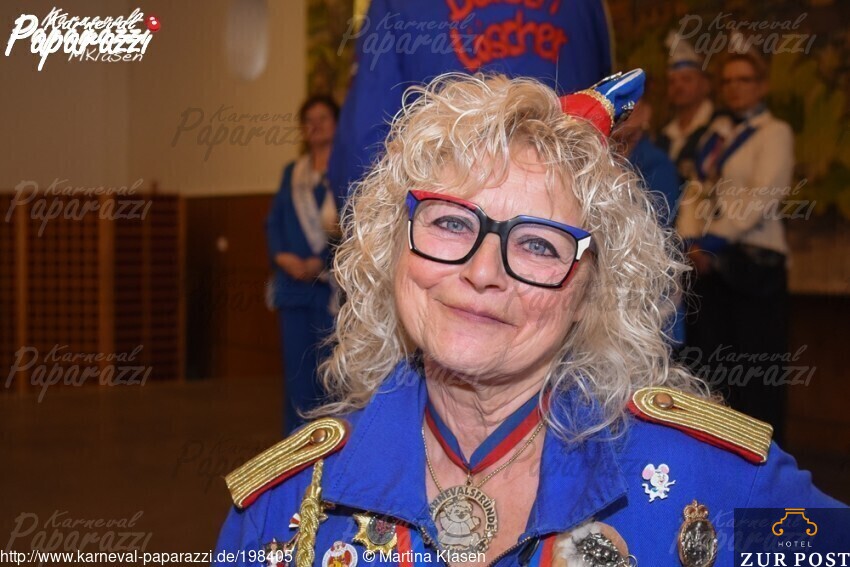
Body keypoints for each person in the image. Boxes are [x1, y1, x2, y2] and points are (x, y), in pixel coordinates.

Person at [218, 72, 841, 567]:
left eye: (539, 244)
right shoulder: (283, 507)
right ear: (392, 249)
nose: (483, 271)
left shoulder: (712, 481)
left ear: (591, 290)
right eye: (451, 222)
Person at [327, 0, 614, 204]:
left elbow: (360, 154)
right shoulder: (588, 6)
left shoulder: (398, 5)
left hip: (451, 227)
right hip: (559, 229)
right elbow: (607, 114)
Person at [681, 49, 794, 444]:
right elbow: (696, 191)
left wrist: (712, 241)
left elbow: (762, 196)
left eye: (744, 80)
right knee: (715, 376)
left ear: (762, 86)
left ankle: (763, 463)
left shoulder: (774, 132)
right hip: (709, 267)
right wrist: (690, 241)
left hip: (754, 267)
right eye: (727, 81)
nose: (734, 88)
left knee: (756, 377)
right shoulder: (716, 135)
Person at [266, 95, 340, 434]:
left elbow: (353, 227)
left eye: (323, 118)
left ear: (337, 123)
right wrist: (282, 256)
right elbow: (274, 222)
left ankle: (329, 447)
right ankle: (295, 448)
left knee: (330, 376)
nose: (316, 125)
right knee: (297, 377)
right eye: (309, 120)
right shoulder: (291, 173)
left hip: (330, 291)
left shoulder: (346, 170)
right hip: (293, 287)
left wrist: (320, 263)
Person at [615, 97, 685, 346]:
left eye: (632, 107)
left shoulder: (656, 162)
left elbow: (658, 222)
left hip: (648, 280)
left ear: (646, 114)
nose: (623, 113)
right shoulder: (606, 154)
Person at [657, 33, 714, 184]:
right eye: (672, 82)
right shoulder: (664, 136)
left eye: (687, 79)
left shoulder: (718, 126)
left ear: (705, 84)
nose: (679, 87)